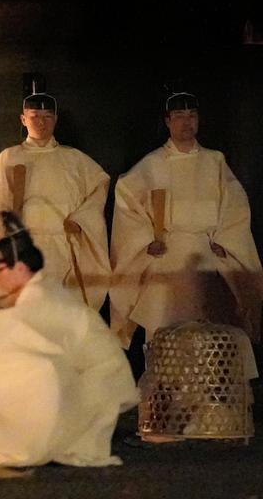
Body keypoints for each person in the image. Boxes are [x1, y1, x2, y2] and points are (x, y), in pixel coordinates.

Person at [0, 212, 138, 467]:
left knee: (11, 373)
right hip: (77, 371)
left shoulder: (42, 298)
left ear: (20, 268)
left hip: (89, 378)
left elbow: (21, 337)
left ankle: (16, 439)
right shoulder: (29, 296)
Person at [110, 90, 263, 347]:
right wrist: (147, 240)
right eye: (179, 116)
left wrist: (225, 240)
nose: (187, 121)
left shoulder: (214, 161)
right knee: (166, 333)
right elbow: (127, 202)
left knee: (210, 333)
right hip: (167, 256)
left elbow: (235, 206)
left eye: (192, 115)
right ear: (168, 121)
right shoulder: (152, 164)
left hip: (207, 257)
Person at [0, 76, 110, 319]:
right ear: (23, 119)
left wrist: (81, 220)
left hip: (61, 250)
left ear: (55, 120)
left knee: (58, 318)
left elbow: (99, 186)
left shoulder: (76, 161)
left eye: (48, 116)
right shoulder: (8, 158)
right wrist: (7, 225)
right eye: (34, 116)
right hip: (22, 251)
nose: (41, 122)